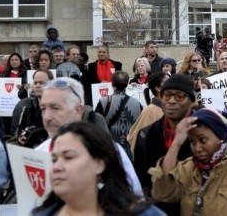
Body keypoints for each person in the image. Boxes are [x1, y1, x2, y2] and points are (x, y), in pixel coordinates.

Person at [150, 108, 227, 215]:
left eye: (203, 140)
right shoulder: (187, 169)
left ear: (220, 138)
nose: (197, 148)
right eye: (192, 142)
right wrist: (176, 143)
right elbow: (162, 192)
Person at [36, 77, 142, 196]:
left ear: (78, 111)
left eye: (55, 108)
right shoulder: (38, 154)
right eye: (43, 109)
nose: (47, 117)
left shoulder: (109, 151)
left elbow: (135, 200)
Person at [32, 122, 164, 216]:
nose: (56, 167)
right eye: (54, 160)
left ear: (99, 164)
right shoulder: (41, 213)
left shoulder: (143, 213)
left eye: (69, 157)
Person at [134, 73, 195, 215]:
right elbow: (142, 179)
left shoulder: (203, 131)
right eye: (166, 95)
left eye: (179, 96)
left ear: (191, 100)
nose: (172, 101)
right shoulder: (146, 135)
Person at [95, 71, 142, 155]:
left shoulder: (103, 101)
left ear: (112, 83)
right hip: (130, 149)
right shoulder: (137, 104)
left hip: (109, 147)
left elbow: (95, 124)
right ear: (127, 84)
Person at [127, 72, 169, 152]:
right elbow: (134, 137)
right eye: (167, 82)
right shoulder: (150, 111)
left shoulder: (170, 108)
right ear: (158, 88)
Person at [11, 69, 53, 147]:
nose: (37, 85)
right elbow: (14, 135)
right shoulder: (24, 105)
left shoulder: (60, 107)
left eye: (42, 83)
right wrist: (20, 139)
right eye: (35, 82)